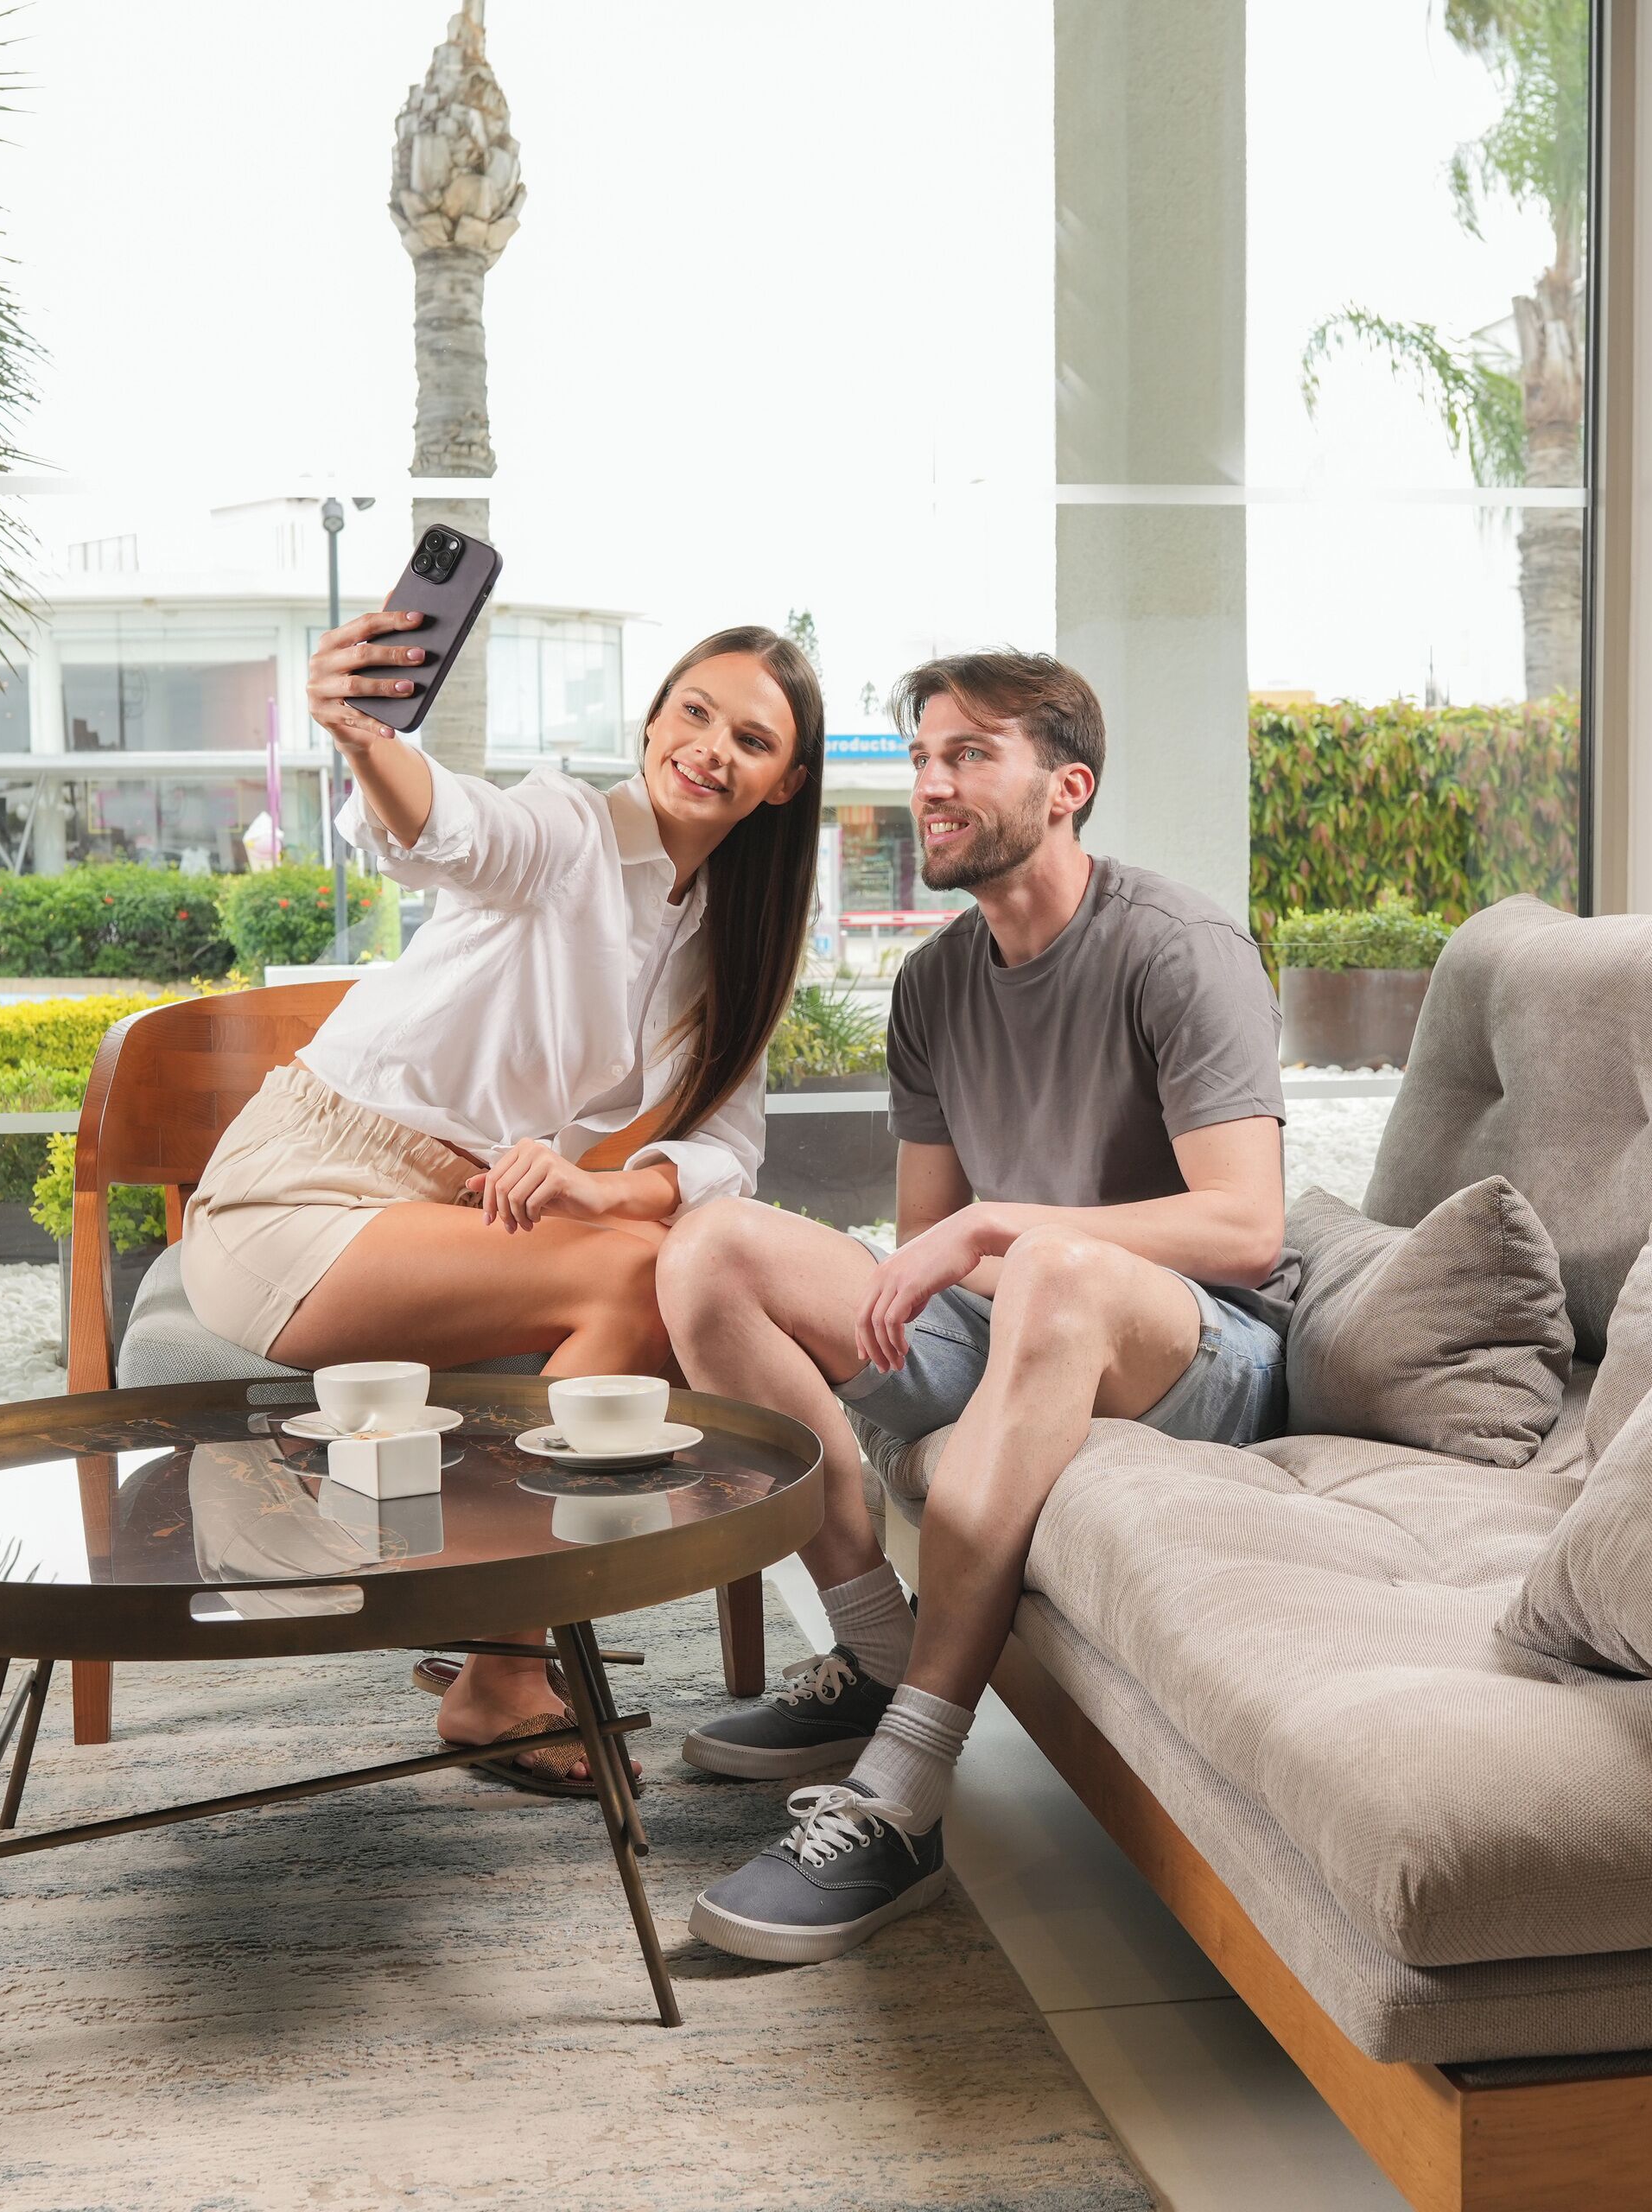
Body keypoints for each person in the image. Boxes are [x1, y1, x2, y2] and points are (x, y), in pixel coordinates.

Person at [657, 651, 1292, 1961]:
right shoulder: (934, 986)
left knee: (1054, 1270)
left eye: (971, 755)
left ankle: (901, 1797)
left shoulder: (1180, 951)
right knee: (708, 1249)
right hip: (1016, 1319)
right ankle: (875, 1646)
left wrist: (1010, 1230)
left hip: (1195, 1348)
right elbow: (926, 1242)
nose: (932, 784)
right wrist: (964, 1250)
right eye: (924, 757)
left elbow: (1246, 1228)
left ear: (1069, 787)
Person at [177, 612, 823, 1794]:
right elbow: (450, 827)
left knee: (660, 1248)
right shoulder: (569, 831)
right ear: (651, 720)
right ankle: (501, 1674)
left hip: (454, 1210)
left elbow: (727, 1146)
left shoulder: (735, 944)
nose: (712, 748)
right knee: (640, 1270)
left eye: (752, 738)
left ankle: (491, 1621)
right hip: (298, 1193)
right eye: (694, 711)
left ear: (782, 786)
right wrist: (365, 736)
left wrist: (600, 1183)